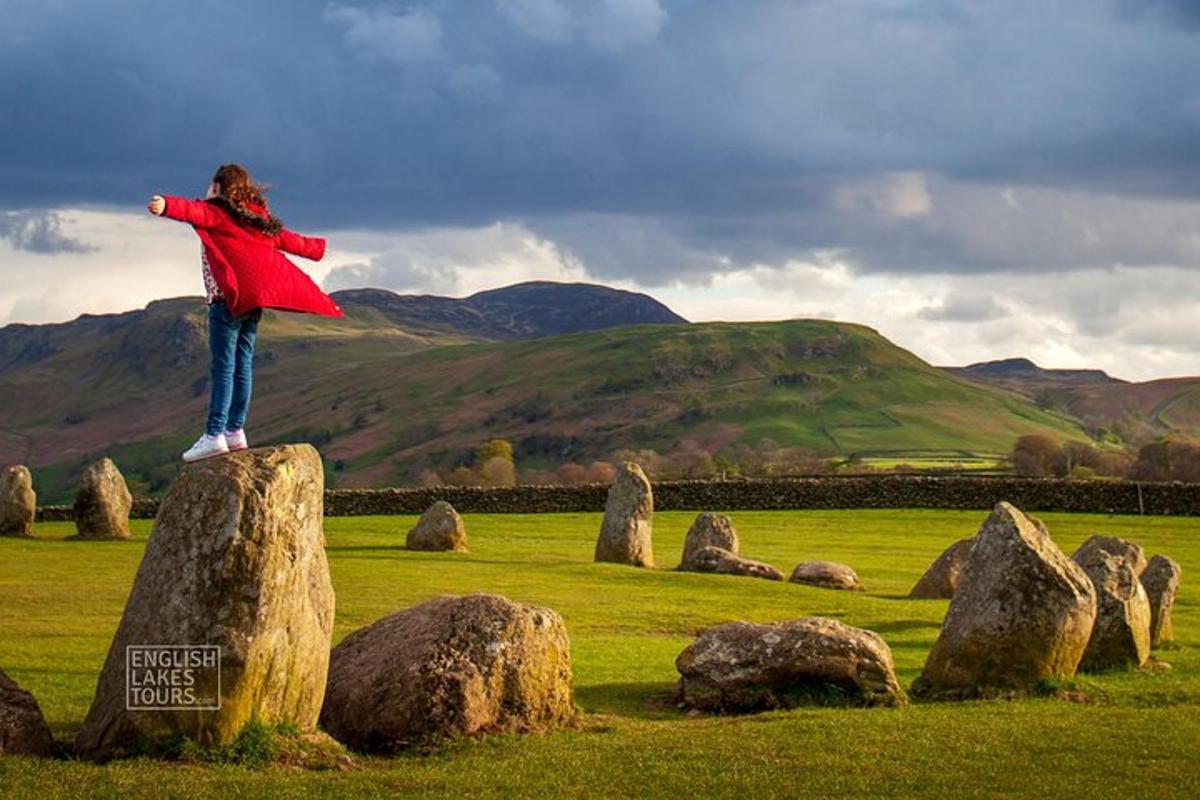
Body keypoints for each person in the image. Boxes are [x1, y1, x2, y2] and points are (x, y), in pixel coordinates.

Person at [148, 163, 343, 462]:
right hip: (252, 304)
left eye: (210, 186)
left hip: (227, 302)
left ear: (218, 188)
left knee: (224, 368)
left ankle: (214, 435)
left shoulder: (218, 213)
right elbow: (287, 239)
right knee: (243, 366)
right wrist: (315, 248)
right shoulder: (257, 220)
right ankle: (235, 431)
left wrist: (165, 205)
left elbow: (192, 211)